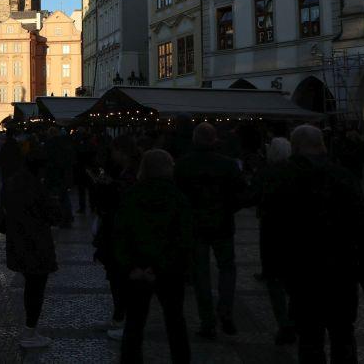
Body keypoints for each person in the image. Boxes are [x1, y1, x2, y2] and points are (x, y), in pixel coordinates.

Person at [274, 125, 364, 363]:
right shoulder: (343, 176)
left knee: (310, 339)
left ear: (296, 147)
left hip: (303, 273)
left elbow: (274, 229)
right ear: (322, 144)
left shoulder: (285, 177)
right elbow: (363, 228)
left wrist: (276, 270)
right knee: (343, 335)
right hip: (342, 271)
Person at [114, 149, 192, 363]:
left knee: (134, 323)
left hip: (137, 269)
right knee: (175, 321)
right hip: (169, 270)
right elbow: (183, 238)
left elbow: (120, 235)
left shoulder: (131, 195)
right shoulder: (178, 198)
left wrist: (131, 267)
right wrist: (159, 267)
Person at [174, 122, 248, 339]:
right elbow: (242, 194)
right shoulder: (228, 164)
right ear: (214, 139)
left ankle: (207, 322)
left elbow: (178, 197)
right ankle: (225, 310)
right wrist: (229, 208)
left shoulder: (184, 164)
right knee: (227, 269)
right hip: (222, 224)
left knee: (201, 274)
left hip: (196, 227)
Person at [3, 147, 59, 349]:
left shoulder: (12, 182)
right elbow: (53, 215)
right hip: (36, 244)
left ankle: (30, 330)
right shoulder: (36, 187)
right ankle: (30, 331)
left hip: (17, 240)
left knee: (31, 285)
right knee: (36, 288)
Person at [248, 137, 296, 345]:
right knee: (294, 277)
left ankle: (284, 323)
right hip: (296, 229)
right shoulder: (298, 172)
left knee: (274, 279)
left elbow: (251, 196)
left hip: (271, 229)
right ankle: (294, 320)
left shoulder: (265, 173)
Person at [92, 133, 140, 339]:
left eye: (114, 151)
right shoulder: (124, 170)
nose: (112, 155)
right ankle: (118, 317)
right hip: (115, 231)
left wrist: (108, 186)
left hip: (122, 234)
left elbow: (125, 199)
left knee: (122, 278)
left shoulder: (132, 173)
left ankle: (124, 321)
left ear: (122, 152)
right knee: (116, 277)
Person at [43, 127, 76, 227]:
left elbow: (47, 160)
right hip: (65, 174)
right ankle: (68, 217)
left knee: (57, 197)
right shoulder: (64, 143)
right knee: (64, 196)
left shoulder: (49, 144)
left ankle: (61, 218)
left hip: (55, 174)